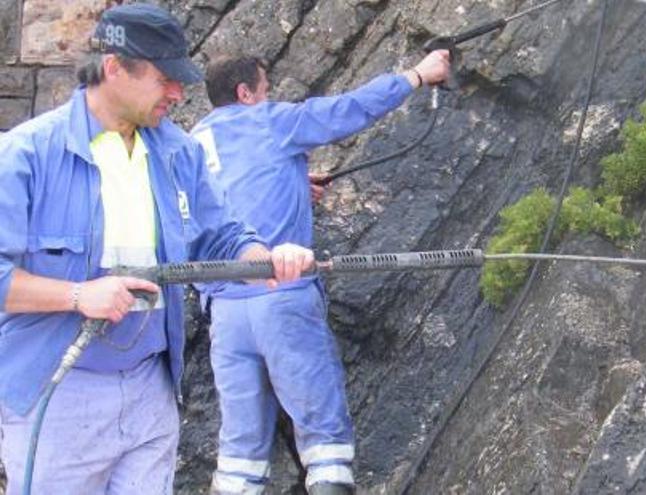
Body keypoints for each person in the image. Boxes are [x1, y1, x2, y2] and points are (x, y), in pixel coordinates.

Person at [0, 4, 314, 494]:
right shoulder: (26, 155)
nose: (177, 92)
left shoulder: (179, 152)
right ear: (113, 68)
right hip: (58, 395)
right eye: (165, 78)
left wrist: (262, 259)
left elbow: (222, 236)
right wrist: (80, 296)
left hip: (152, 393)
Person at [191, 50, 450, 494]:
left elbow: (227, 198)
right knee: (325, 441)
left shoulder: (193, 142)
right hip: (280, 297)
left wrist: (290, 180)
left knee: (239, 451)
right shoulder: (269, 121)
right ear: (245, 92)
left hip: (224, 316)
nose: (271, 97)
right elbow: (345, 110)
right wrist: (416, 77)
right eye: (266, 90)